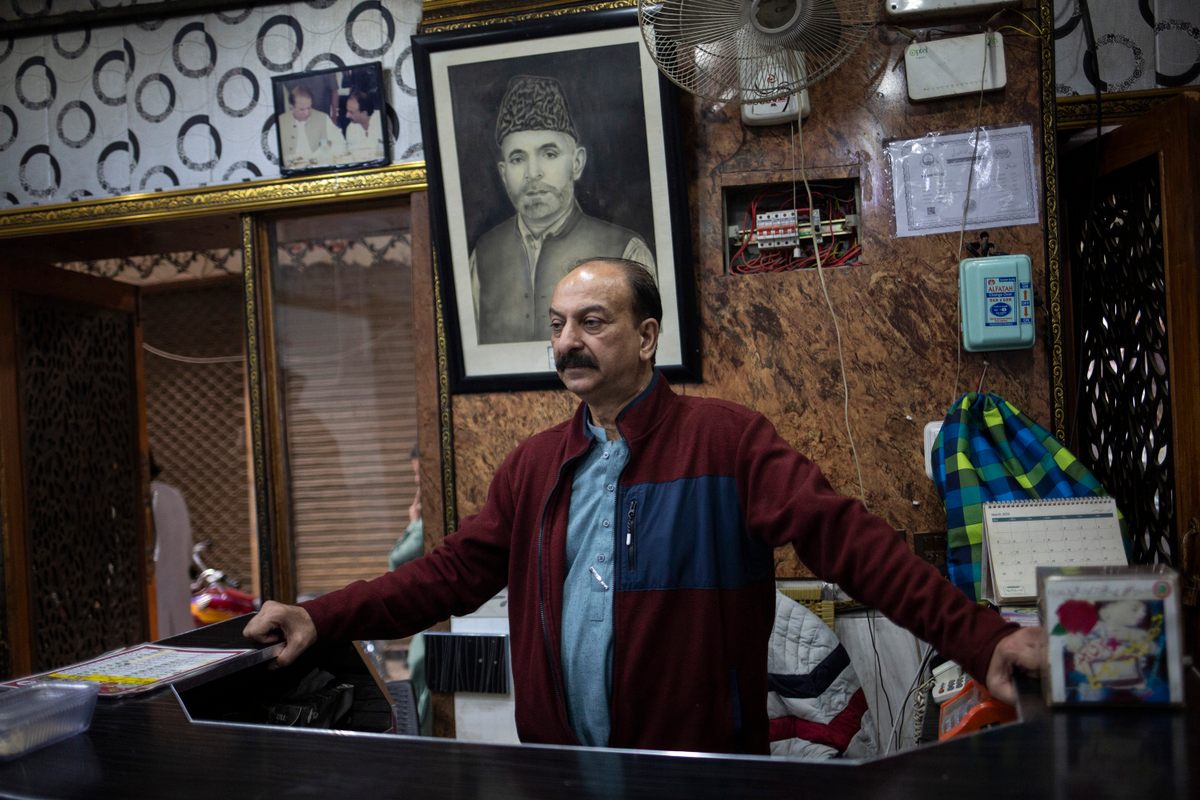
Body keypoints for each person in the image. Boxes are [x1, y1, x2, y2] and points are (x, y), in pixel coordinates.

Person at [245, 257, 1044, 754]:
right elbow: (449, 576)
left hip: (701, 776)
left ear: (646, 334)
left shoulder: (726, 443)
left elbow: (847, 541)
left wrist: (981, 638)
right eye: (557, 326)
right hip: (561, 773)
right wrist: (325, 616)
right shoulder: (533, 469)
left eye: (593, 323)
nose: (568, 343)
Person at [467, 75, 656, 345]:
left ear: (577, 163)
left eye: (549, 154)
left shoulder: (627, 251)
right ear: (503, 172)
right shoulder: (483, 256)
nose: (533, 174)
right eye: (518, 158)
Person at [386, 445, 430, 735]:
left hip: (438, 613)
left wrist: (413, 524)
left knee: (420, 670)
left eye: (419, 475)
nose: (417, 483)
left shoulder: (431, 516)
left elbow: (399, 559)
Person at [150, 454, 194, 639]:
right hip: (179, 583)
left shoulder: (148, 497)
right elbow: (187, 546)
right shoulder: (172, 493)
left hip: (157, 587)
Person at [277, 84, 341, 170]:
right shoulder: (280, 122)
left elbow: (338, 143)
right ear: (291, 107)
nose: (307, 113)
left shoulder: (323, 118)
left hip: (317, 168)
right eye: (302, 109)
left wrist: (324, 152)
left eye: (309, 108)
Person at [341, 90, 385, 165]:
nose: (347, 115)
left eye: (351, 112)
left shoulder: (382, 121)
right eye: (347, 111)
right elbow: (350, 156)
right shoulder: (351, 128)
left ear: (364, 113)